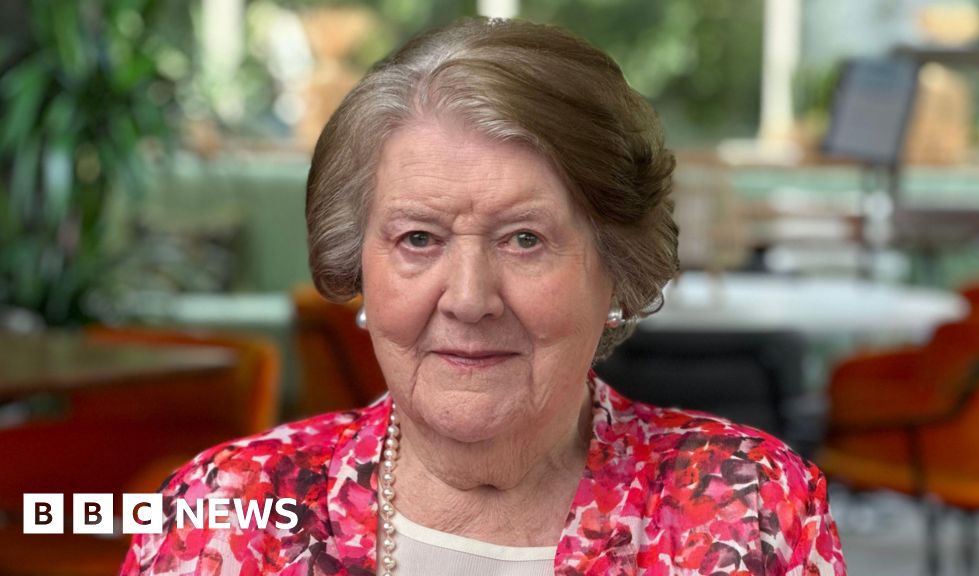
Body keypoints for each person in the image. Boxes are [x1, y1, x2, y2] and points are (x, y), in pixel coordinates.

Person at [121, 17, 845, 576]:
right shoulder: (224, 510)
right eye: (418, 240)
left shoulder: (748, 505)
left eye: (524, 239)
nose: (469, 299)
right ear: (360, 268)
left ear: (615, 269)